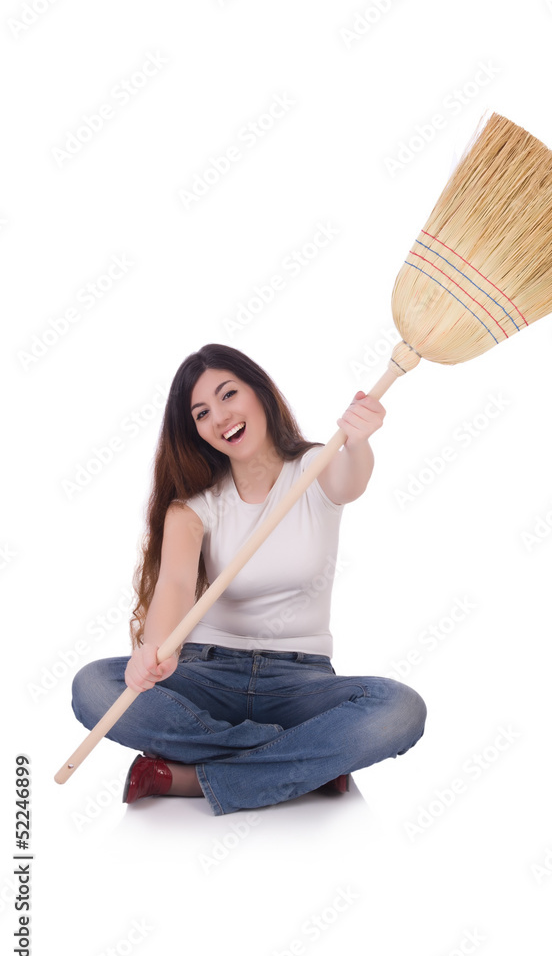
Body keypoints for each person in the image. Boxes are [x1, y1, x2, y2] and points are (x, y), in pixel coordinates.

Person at [71, 344, 427, 816]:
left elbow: (350, 482)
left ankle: (194, 778)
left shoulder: (316, 466)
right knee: (93, 686)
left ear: (260, 392)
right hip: (207, 675)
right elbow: (175, 583)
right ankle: (305, 760)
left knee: (400, 709)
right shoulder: (194, 506)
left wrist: (358, 441)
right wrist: (155, 651)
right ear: (195, 430)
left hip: (300, 681)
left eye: (228, 395)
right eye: (201, 413)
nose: (220, 417)